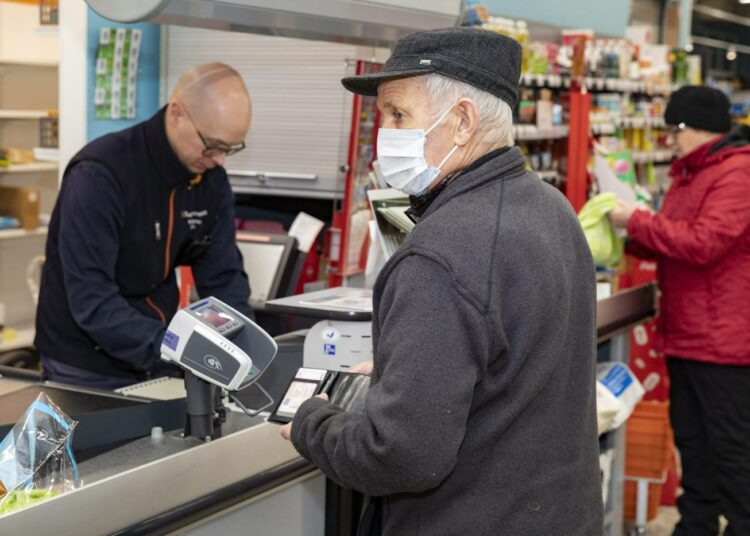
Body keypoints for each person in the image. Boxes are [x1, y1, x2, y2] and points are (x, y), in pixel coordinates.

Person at [281, 27, 603, 535]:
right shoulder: (552, 208)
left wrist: (311, 421)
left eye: (398, 115)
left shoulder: (441, 253)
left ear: (461, 122)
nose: (384, 133)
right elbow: (515, 363)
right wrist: (409, 368)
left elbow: (400, 456)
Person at [35, 62, 254, 390]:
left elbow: (223, 275)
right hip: (85, 363)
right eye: (213, 145)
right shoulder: (100, 175)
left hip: (156, 353)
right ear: (176, 113)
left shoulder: (211, 180)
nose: (220, 159)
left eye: (230, 149)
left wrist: (243, 345)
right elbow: (93, 300)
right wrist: (177, 350)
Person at [610, 86, 750, 536]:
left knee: (731, 450)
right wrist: (633, 235)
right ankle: (696, 526)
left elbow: (704, 243)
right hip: (687, 331)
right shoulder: (689, 172)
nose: (670, 138)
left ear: (699, 130)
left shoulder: (738, 173)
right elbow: (676, 235)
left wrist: (635, 221)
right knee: (693, 442)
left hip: (724, 339)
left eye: (676, 129)